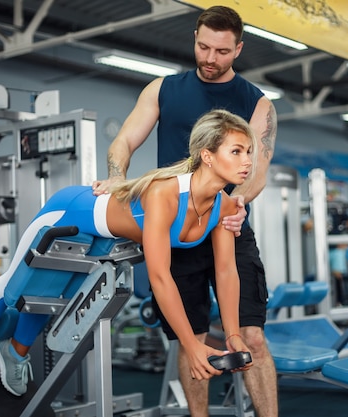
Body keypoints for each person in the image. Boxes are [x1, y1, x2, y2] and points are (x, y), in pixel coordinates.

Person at [0, 109, 254, 396]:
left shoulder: (224, 206)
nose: (247, 160)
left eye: (249, 151)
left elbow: (226, 271)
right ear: (207, 156)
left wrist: (233, 334)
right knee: (12, 282)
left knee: (50, 293)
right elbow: (160, 276)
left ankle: (14, 352)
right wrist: (191, 345)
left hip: (105, 237)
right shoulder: (166, 193)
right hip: (70, 212)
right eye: (237, 151)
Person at [92, 6, 278, 417]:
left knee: (253, 336)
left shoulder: (257, 102)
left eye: (222, 52)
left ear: (239, 49)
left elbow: (258, 169)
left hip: (227, 221)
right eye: (203, 47)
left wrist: (238, 202)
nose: (210, 59)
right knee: (190, 337)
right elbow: (123, 141)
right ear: (194, 37)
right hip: (173, 225)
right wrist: (116, 176)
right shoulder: (162, 89)